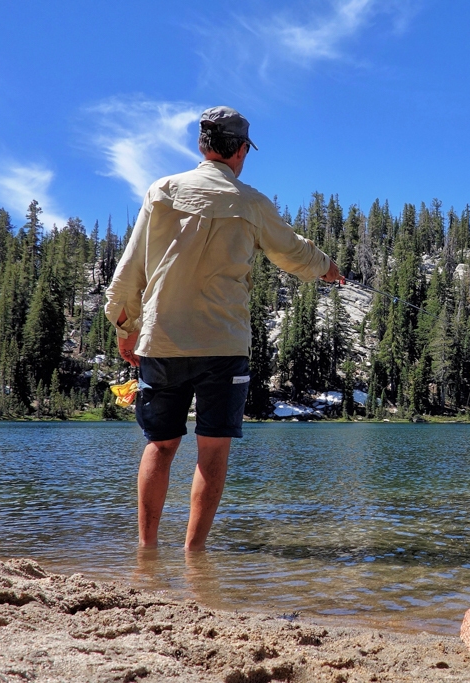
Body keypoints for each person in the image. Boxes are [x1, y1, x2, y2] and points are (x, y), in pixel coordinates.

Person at [105, 105, 342, 551]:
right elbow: (292, 252)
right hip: (223, 345)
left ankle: (147, 550)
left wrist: (125, 328)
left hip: (162, 339)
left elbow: (130, 268)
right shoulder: (251, 203)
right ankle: (195, 556)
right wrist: (328, 269)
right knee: (212, 451)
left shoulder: (162, 191)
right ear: (240, 151)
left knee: (160, 445)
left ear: (203, 145)